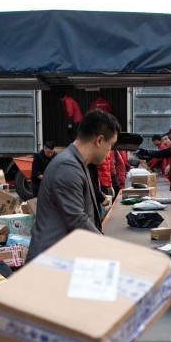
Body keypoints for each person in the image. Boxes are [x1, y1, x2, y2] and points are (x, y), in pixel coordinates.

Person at [28, 109, 121, 261]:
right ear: (99, 140)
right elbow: (77, 218)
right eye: (110, 145)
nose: (109, 152)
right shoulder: (67, 166)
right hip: (51, 262)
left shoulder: (76, 162)